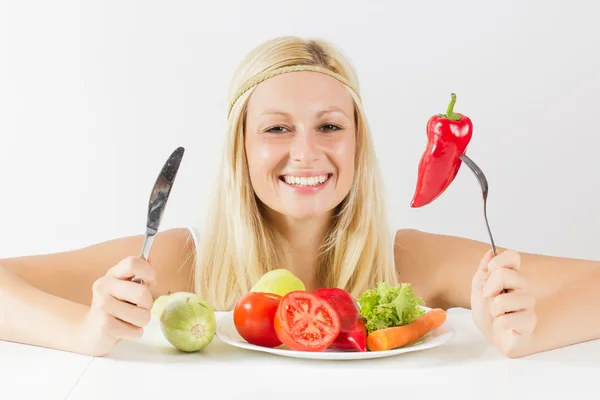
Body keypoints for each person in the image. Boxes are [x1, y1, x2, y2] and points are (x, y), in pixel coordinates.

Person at [0, 36, 598, 359]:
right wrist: (84, 332)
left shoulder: (409, 260)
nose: (307, 152)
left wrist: (529, 332)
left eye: (330, 126)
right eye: (277, 128)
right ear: (242, 148)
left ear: (359, 143)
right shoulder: (184, 257)